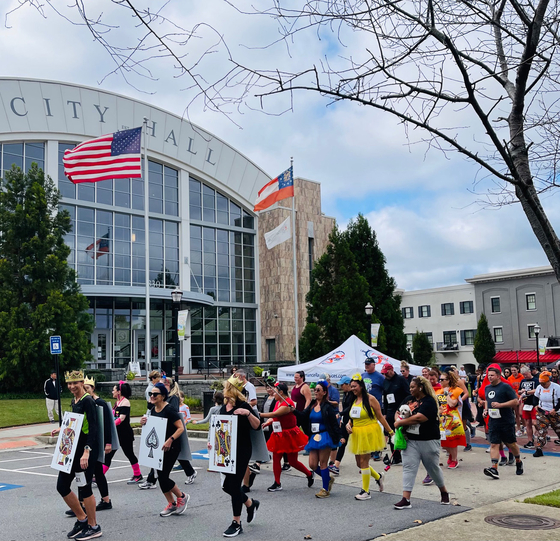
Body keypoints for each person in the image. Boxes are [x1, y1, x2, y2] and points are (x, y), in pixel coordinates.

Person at [51, 370, 102, 540]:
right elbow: (76, 422)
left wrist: (87, 451)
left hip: (84, 451)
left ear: (82, 383)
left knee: (85, 487)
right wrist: (62, 429)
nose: (72, 386)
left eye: (75, 383)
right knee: (62, 486)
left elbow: (94, 428)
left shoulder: (88, 401)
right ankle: (82, 519)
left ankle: (94, 526)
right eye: (69, 384)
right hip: (72, 450)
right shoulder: (75, 400)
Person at [213, 376, 261, 538]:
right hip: (226, 451)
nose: (223, 390)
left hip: (241, 450)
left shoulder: (243, 405)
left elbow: (257, 425)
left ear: (231, 389)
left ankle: (236, 523)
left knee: (233, 485)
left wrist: (248, 413)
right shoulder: (223, 407)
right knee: (227, 486)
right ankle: (250, 503)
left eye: (225, 387)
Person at [393, 376, 451, 509]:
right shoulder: (408, 400)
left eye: (413, 387)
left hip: (428, 440)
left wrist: (401, 422)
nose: (410, 389)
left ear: (421, 387)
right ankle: (406, 499)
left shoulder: (430, 401)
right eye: (410, 387)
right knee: (408, 467)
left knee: (433, 468)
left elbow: (420, 418)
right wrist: (398, 419)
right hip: (410, 440)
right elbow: (397, 412)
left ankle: (444, 492)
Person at [140, 383, 190, 516]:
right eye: (151, 394)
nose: (152, 396)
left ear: (162, 396)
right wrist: (144, 422)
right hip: (158, 447)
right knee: (159, 476)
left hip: (171, 447)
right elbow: (151, 427)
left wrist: (170, 440)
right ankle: (172, 504)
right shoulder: (152, 409)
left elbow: (180, 428)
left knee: (163, 476)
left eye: (155, 394)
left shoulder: (170, 410)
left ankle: (181, 496)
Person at [346, 374, 392, 500]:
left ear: (361, 386)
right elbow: (353, 416)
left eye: (354, 386)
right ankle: (378, 477)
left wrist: (390, 432)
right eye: (351, 387)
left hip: (368, 432)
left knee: (364, 462)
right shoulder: (354, 399)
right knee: (359, 464)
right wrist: (348, 424)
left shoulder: (370, 399)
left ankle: (365, 491)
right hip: (357, 433)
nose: (352, 389)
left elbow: (380, 417)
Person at [296, 380, 344, 499]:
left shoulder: (328, 407)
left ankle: (325, 489)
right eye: (314, 390)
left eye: (318, 390)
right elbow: (303, 415)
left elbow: (334, 423)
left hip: (325, 436)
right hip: (314, 436)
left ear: (324, 392)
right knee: (312, 464)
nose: (315, 392)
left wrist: (340, 436)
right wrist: (293, 410)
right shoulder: (312, 404)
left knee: (323, 464)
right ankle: (327, 478)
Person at [260, 382, 313, 491]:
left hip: (289, 435)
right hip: (278, 434)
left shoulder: (288, 404)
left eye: (275, 392)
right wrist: (268, 422)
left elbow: (275, 414)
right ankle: (277, 482)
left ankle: (309, 474)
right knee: (276, 458)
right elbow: (274, 416)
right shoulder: (278, 402)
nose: (273, 394)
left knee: (293, 461)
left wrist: (258, 414)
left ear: (280, 392)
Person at [482, 367, 524, 479]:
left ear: (498, 376)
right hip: (493, 421)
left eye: (492, 375)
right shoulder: (487, 388)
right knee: (494, 444)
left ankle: (518, 461)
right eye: (488, 375)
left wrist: (501, 405)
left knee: (511, 444)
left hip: (506, 420)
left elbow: (515, 401)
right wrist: (486, 410)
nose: (489, 377)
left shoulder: (505, 387)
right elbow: (487, 400)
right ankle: (494, 468)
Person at [83, 376, 114, 512]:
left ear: (93, 388)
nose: (85, 390)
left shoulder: (99, 403)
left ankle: (84, 503)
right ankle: (105, 500)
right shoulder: (83, 401)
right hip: (89, 441)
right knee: (97, 472)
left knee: (91, 472)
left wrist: (108, 442)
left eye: (87, 388)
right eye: (83, 388)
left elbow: (107, 424)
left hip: (97, 442)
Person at [104, 382, 143, 484]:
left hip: (125, 434)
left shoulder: (125, 402)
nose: (112, 391)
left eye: (114, 390)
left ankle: (138, 474)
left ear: (119, 391)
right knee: (108, 454)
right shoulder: (117, 402)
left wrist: (111, 425)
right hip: (116, 433)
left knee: (129, 454)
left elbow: (121, 418)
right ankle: (99, 475)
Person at [436, 371, 466, 468]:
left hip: (452, 418)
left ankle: (454, 459)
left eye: (442, 379)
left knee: (452, 440)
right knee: (443, 441)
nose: (440, 381)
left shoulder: (456, 390)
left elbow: (452, 404)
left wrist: (447, 394)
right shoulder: (438, 391)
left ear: (448, 380)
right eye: (439, 379)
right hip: (441, 418)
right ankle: (452, 456)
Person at [381, 362, 410, 465]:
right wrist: (384, 413)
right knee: (391, 433)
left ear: (391, 370)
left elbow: (408, 394)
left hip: (400, 409)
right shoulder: (385, 381)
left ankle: (405, 455)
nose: (385, 375)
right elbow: (384, 397)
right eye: (384, 373)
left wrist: (402, 408)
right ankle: (395, 457)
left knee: (402, 433)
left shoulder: (401, 380)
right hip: (389, 410)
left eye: (386, 373)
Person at [361, 357, 385, 462]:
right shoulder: (362, 375)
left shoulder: (379, 377)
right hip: (364, 406)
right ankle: (369, 449)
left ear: (374, 365)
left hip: (376, 405)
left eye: (369, 364)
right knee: (367, 428)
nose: (366, 365)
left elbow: (385, 390)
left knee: (376, 428)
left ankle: (377, 451)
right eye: (365, 364)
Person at [531, 370, 560, 457]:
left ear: (548, 381)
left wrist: (555, 409)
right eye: (541, 383)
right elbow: (535, 397)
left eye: (544, 383)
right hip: (542, 411)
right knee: (541, 430)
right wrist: (535, 405)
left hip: (555, 413)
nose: (543, 385)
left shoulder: (557, 387)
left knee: (558, 429)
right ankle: (539, 448)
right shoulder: (539, 388)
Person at [331, 376, 353, 476]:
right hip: (345, 420)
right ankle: (336, 464)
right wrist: (342, 419)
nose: (341, 387)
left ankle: (364, 465)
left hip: (353, 420)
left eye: (342, 385)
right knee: (343, 441)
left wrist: (340, 414)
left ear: (348, 384)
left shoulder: (353, 394)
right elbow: (345, 406)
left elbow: (350, 408)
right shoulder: (345, 394)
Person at [518, 366, 538, 449]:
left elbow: (537, 390)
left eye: (526, 374)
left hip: (534, 404)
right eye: (523, 375)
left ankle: (542, 434)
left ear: (529, 372)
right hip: (526, 404)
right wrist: (521, 391)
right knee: (528, 423)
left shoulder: (536, 380)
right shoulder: (523, 381)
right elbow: (519, 391)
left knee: (535, 422)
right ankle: (530, 441)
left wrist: (527, 392)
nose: (525, 376)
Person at [507, 365, 525, 435]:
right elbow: (510, 388)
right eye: (512, 370)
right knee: (517, 414)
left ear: (518, 370)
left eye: (514, 370)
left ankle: (524, 426)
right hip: (514, 397)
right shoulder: (510, 378)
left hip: (522, 397)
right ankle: (519, 429)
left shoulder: (522, 377)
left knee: (521, 414)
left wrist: (520, 396)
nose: (513, 372)